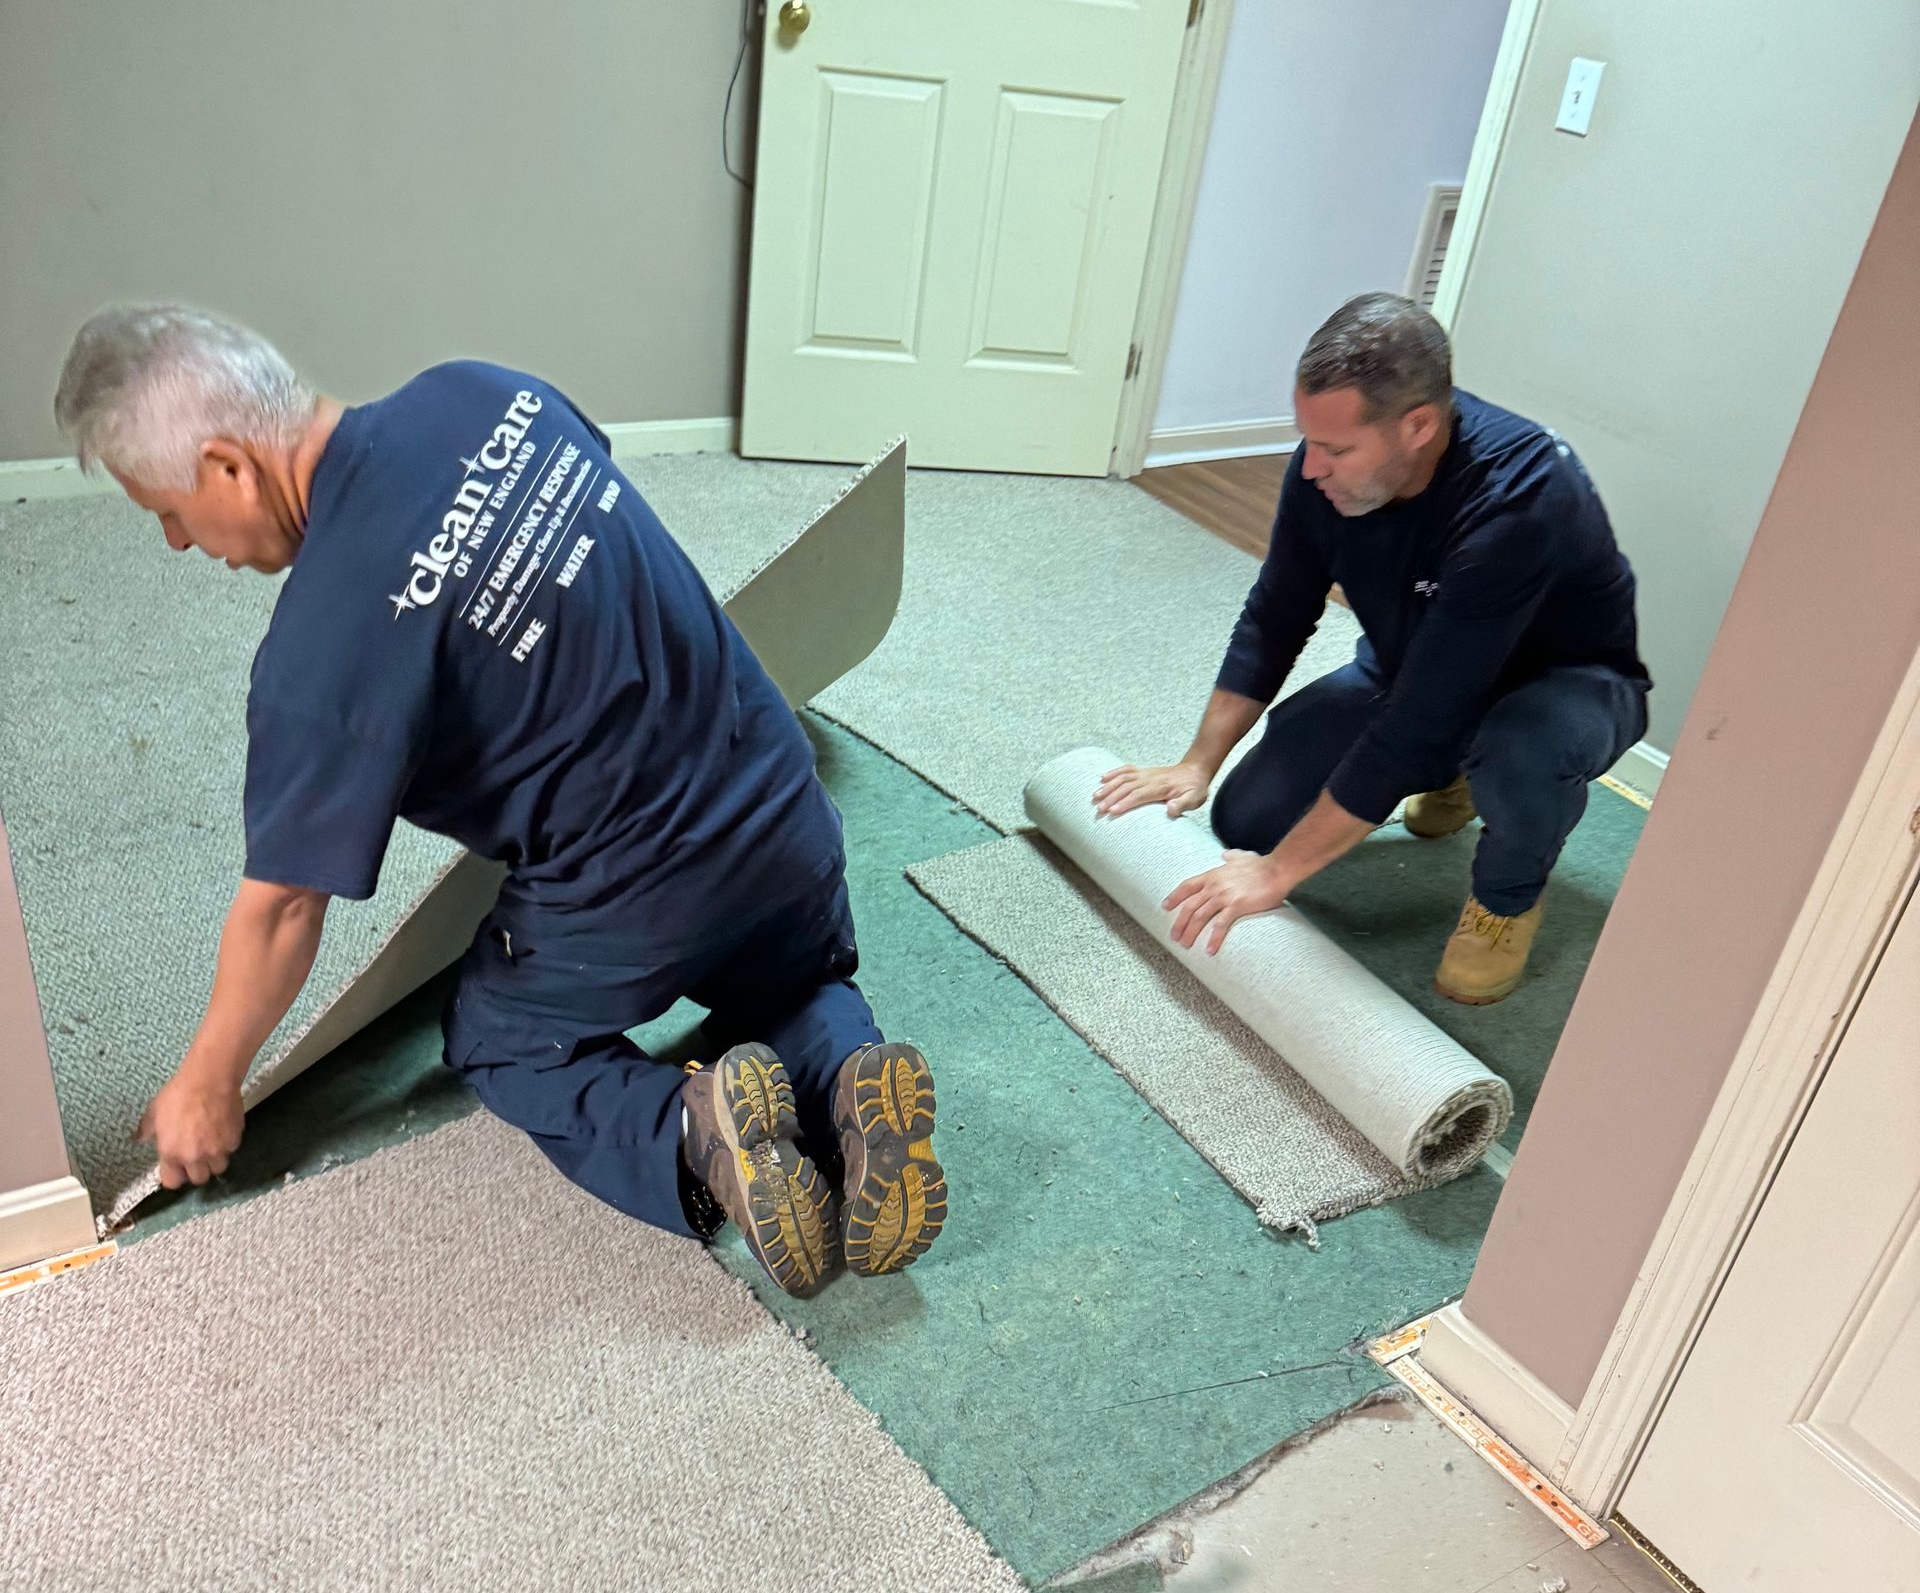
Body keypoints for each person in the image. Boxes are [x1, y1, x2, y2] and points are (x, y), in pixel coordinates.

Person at [52, 304, 946, 1296]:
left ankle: (694, 1131)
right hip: (782, 805)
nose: (176, 541)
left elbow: (284, 907)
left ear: (227, 466)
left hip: (646, 898)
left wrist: (207, 1083)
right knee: (792, 981)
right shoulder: (488, 392)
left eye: (166, 509)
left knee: (498, 1037)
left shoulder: (316, 663)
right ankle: (852, 1077)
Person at [1097, 294, 1650, 1004]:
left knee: (1518, 756)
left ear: (1418, 426)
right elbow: (1277, 612)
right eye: (1308, 440)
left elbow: (1417, 721)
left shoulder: (1519, 500)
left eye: (1335, 449)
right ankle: (1458, 772)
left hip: (1565, 685)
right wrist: (1197, 762)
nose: (1309, 468)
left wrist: (1278, 876)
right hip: (1415, 664)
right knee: (1248, 822)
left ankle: (1505, 902)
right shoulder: (1324, 471)